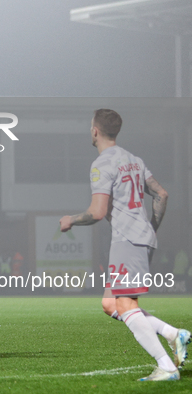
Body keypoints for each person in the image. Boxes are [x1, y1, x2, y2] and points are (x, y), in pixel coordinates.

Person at [59, 109, 189, 381]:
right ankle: (173, 334)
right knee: (110, 303)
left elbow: (96, 212)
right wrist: (150, 228)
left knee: (126, 305)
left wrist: (70, 220)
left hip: (127, 241)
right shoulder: (134, 160)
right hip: (137, 239)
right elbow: (161, 194)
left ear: (95, 131)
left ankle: (166, 366)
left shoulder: (102, 164)